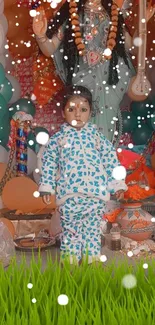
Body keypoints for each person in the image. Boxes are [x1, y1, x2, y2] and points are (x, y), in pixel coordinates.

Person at [33, 0, 155, 143]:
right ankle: (84, 158)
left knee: (107, 122)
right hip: (83, 77)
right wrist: (40, 36)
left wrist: (142, 25)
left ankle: (103, 159)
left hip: (110, 79)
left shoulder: (112, 13)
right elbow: (50, 49)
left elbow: (132, 47)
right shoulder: (74, 14)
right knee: (82, 116)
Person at [38, 85, 127, 264]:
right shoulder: (58, 140)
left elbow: (111, 161)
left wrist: (117, 183)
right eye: (71, 109)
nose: (77, 115)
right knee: (71, 233)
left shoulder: (97, 138)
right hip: (70, 197)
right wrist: (47, 187)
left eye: (83, 109)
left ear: (90, 113)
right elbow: (48, 163)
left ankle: (90, 265)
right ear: (63, 113)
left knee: (92, 233)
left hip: (95, 196)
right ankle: (71, 267)